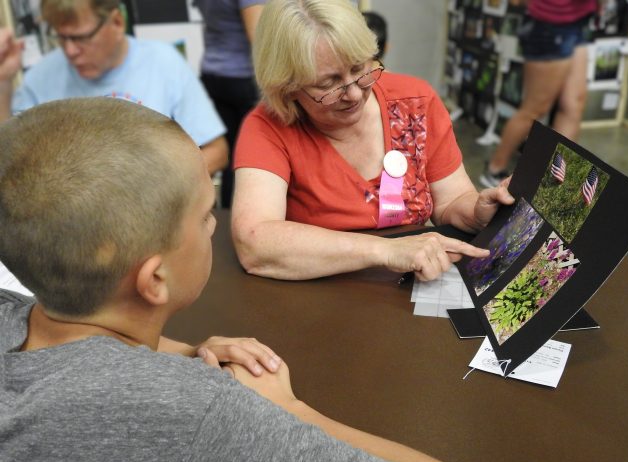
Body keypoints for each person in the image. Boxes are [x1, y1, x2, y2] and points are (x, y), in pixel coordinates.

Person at [0, 97, 479, 462]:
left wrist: (184, 352)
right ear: (155, 280)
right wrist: (287, 407)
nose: (214, 226)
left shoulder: (13, 314)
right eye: (207, 213)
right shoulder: (197, 417)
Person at [231, 0, 514, 281]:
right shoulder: (268, 128)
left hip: (409, 290)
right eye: (328, 84)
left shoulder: (416, 102)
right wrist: (386, 251)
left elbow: (450, 201)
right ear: (288, 87)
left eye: (359, 69)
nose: (353, 94)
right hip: (319, 298)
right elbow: (255, 242)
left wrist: (476, 212)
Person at [0, 0, 228, 175]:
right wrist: (3, 81)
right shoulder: (42, 76)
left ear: (117, 23)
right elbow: (9, 160)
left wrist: (155, 189)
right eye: (61, 38)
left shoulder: (163, 63)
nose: (70, 51)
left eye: (81, 38)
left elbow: (216, 152)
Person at [481, 0, 599, 188]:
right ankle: (495, 169)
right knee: (536, 108)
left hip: (580, 21)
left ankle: (554, 178)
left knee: (573, 104)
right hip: (551, 22)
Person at [195, 0, 266, 207]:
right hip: (242, 79)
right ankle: (239, 218)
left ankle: (226, 216)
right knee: (246, 159)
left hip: (213, 73)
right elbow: (259, 40)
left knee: (230, 157)